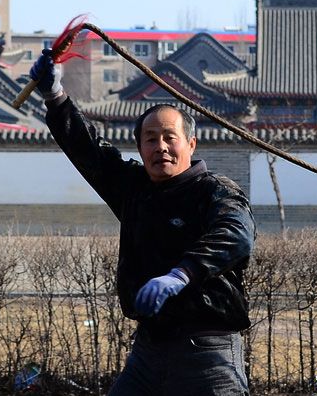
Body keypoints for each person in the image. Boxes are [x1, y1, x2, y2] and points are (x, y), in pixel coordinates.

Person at [30, 50, 256, 396]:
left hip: (208, 351)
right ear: (139, 147)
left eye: (169, 137)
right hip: (148, 351)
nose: (160, 146)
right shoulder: (135, 189)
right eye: (150, 139)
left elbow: (235, 235)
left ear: (191, 144)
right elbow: (90, 151)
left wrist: (181, 275)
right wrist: (54, 96)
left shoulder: (216, 191)